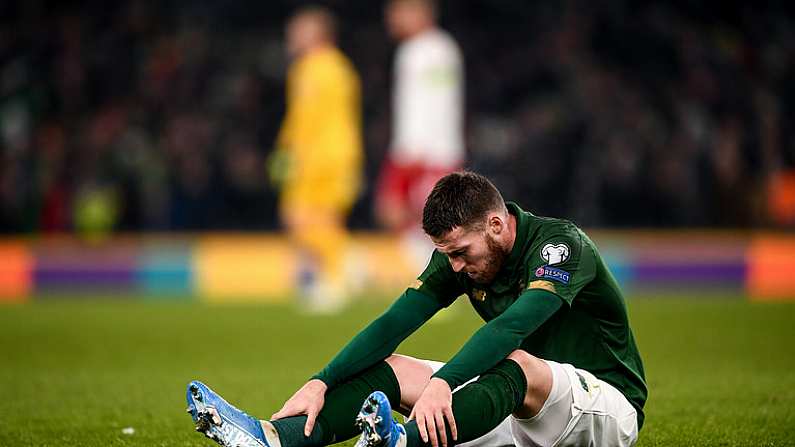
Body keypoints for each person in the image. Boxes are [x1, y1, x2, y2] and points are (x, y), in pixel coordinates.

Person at [186, 171, 647, 447]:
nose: (455, 266)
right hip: (519, 415)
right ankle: (272, 438)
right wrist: (320, 381)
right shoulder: (462, 254)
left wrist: (444, 383)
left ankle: (404, 442)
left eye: (461, 252)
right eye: (447, 255)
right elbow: (395, 322)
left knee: (518, 362)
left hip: (605, 412)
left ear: (495, 224)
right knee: (394, 369)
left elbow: (512, 328)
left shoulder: (560, 246)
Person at [269, 6, 363, 312]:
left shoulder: (315, 69)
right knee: (314, 220)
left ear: (316, 34)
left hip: (321, 158)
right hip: (333, 155)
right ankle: (347, 267)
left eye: (297, 31)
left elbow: (307, 120)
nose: (291, 37)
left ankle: (337, 278)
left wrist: (288, 151)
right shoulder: (339, 67)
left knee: (307, 218)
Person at [375, 0, 465, 270]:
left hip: (425, 152)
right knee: (396, 212)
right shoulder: (443, 48)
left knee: (425, 219)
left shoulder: (422, 52)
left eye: (397, 12)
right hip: (424, 148)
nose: (391, 19)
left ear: (418, 13)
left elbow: (432, 104)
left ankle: (439, 277)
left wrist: (416, 152)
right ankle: (430, 273)